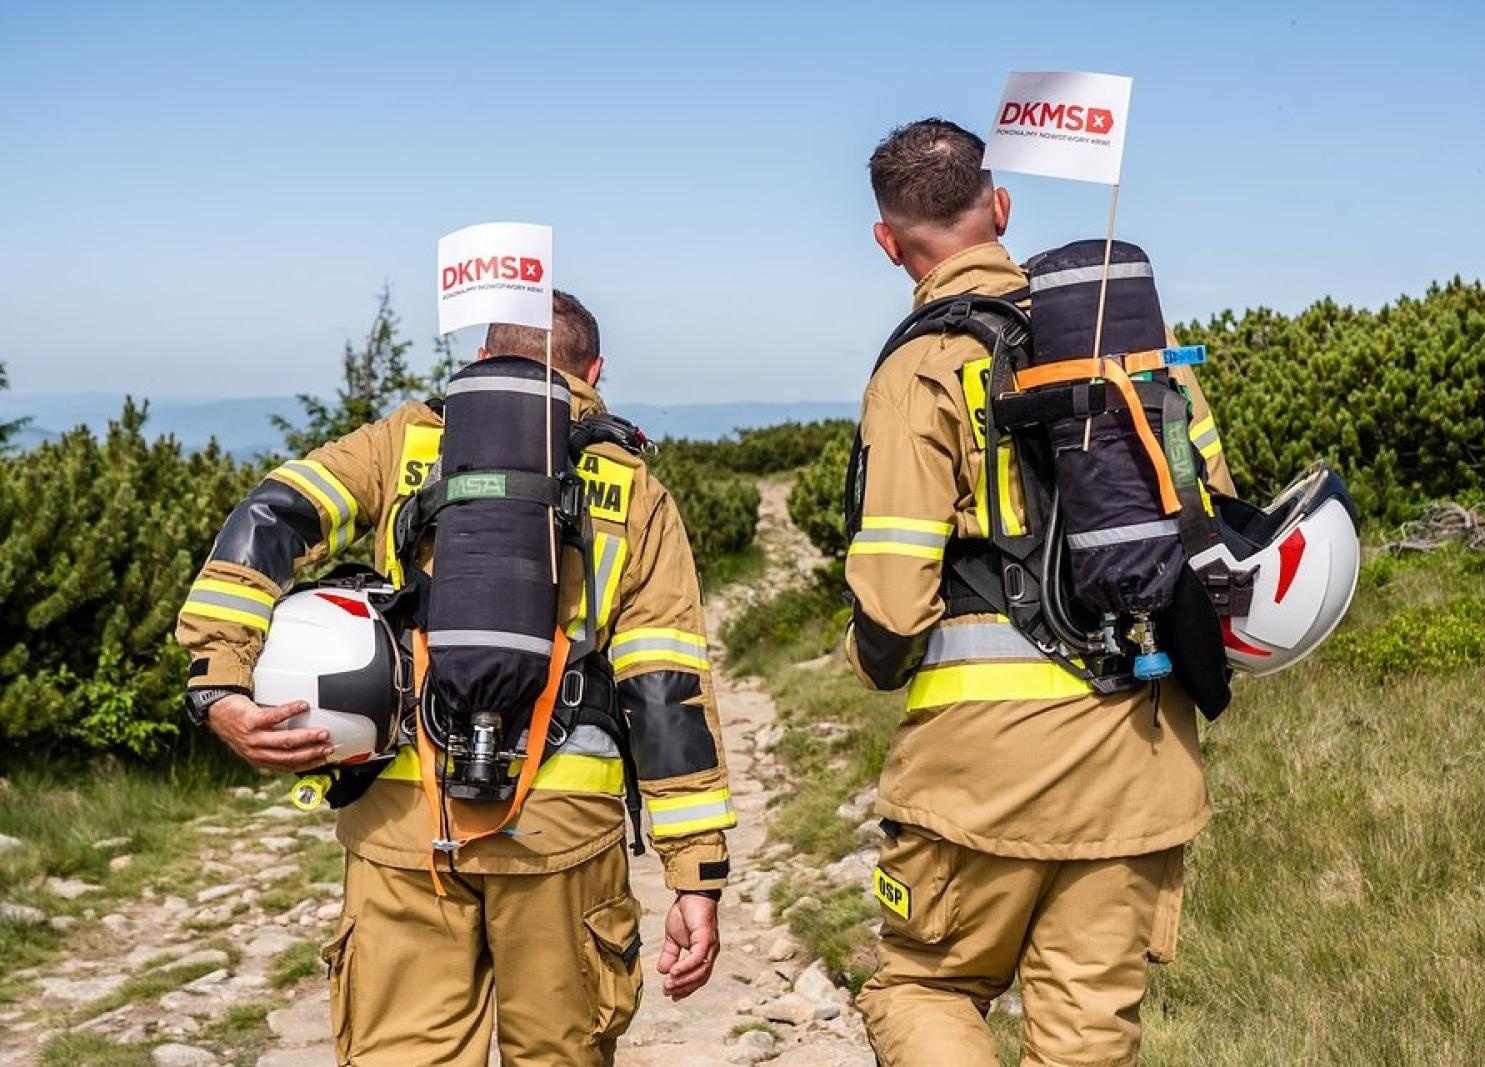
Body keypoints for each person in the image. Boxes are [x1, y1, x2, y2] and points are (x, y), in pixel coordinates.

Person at [175, 291, 736, 1066]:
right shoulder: (630, 484)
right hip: (562, 832)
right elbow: (665, 686)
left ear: (482, 359)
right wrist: (696, 872)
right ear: (594, 372)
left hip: (406, 821)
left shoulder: (403, 442)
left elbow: (271, 515)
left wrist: (219, 680)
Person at [846, 119, 1235, 1066]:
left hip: (980, 776)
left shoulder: (918, 369)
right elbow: (1213, 510)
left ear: (888, 242)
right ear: (1003, 208)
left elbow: (894, 606)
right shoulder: (1129, 338)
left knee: (924, 986)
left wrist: (872, 659)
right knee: (1088, 1029)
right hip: (1137, 757)